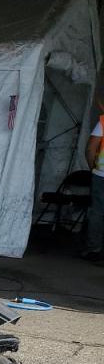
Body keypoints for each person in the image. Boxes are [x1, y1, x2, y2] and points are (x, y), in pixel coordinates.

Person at [84, 98, 104, 262]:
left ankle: (94, 249)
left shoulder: (103, 122)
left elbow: (90, 149)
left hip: (101, 174)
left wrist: (93, 168)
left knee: (97, 212)